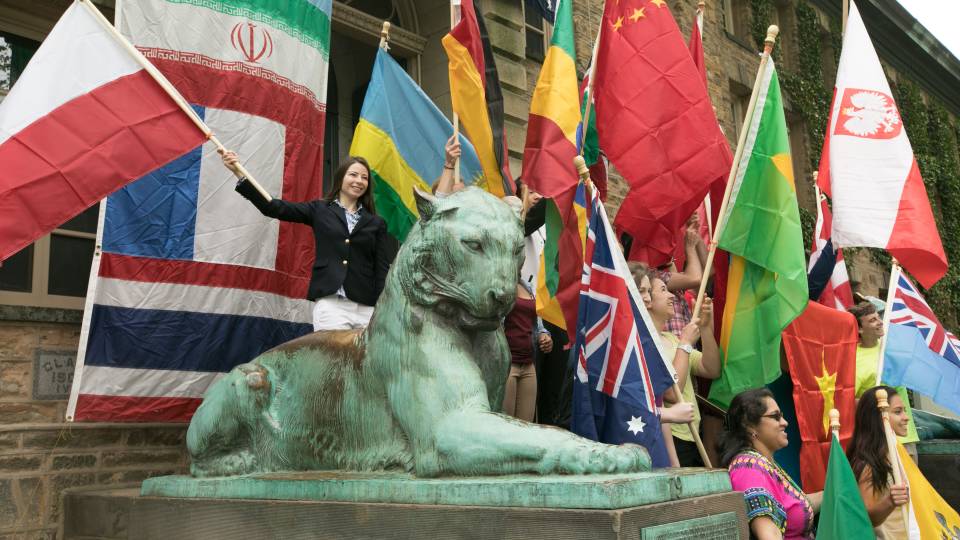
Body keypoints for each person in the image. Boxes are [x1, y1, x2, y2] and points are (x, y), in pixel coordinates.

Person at [220, 149, 394, 331]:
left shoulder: (376, 222)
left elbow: (381, 269)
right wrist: (238, 172)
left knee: (367, 360)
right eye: (353, 174)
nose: (359, 181)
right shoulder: (320, 209)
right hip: (332, 306)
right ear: (341, 177)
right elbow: (274, 208)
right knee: (331, 359)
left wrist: (383, 308)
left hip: (367, 308)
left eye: (364, 178)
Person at [720, 389, 822, 540]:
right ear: (750, 426)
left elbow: (798, 506)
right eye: (776, 417)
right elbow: (770, 534)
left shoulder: (761, 463)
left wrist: (836, 491)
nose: (784, 422)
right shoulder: (748, 468)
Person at [648, 272, 719, 467]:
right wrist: (686, 343)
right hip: (672, 436)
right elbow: (671, 393)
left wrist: (705, 329)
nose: (672, 296)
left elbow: (711, 368)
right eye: (663, 290)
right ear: (647, 300)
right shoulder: (646, 342)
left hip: (693, 435)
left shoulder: (671, 338)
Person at [629, 262, 695, 467]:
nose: (647, 299)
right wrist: (670, 414)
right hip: (628, 450)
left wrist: (674, 464)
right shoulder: (627, 345)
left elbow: (657, 401)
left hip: (655, 445)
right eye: (641, 291)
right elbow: (623, 408)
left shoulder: (650, 343)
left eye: (649, 291)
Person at [848, 301, 920, 458]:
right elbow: (847, 400)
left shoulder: (892, 347)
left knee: (913, 483)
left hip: (906, 435)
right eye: (872, 320)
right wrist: (877, 406)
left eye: (878, 317)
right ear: (860, 328)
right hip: (878, 439)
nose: (880, 322)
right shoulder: (852, 358)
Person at [847, 385, 915, 540]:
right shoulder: (867, 463)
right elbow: (866, 517)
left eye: (904, 410)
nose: (906, 417)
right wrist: (889, 501)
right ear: (878, 417)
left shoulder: (896, 455)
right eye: (898, 412)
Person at [502, 279, 552, 422]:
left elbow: (538, 326)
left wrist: (544, 336)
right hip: (508, 365)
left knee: (526, 427)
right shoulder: (498, 284)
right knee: (506, 427)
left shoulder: (528, 286)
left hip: (528, 364)